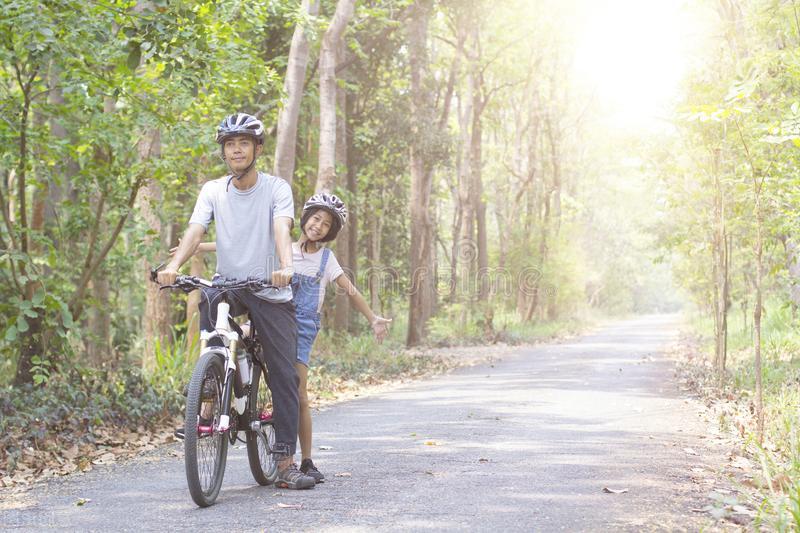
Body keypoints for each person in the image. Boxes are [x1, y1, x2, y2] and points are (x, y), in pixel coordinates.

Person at [157, 112, 315, 490]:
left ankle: (285, 462)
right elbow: (196, 230)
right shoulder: (213, 190)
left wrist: (286, 266)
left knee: (285, 376)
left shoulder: (276, 188)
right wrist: (174, 266)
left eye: (244, 143)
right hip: (229, 284)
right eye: (230, 144)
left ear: (257, 148)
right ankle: (211, 392)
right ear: (224, 151)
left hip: (270, 289)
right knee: (210, 303)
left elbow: (282, 228)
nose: (237, 150)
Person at [187, 193, 391, 483]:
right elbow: (237, 246)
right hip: (270, 314)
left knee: (298, 391)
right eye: (316, 219)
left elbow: (350, 290)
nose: (318, 226)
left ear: (330, 232)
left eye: (326, 224)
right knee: (233, 334)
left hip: (301, 326)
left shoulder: (326, 259)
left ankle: (305, 459)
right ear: (305, 219)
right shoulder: (282, 247)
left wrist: (373, 318)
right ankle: (218, 396)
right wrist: (197, 247)